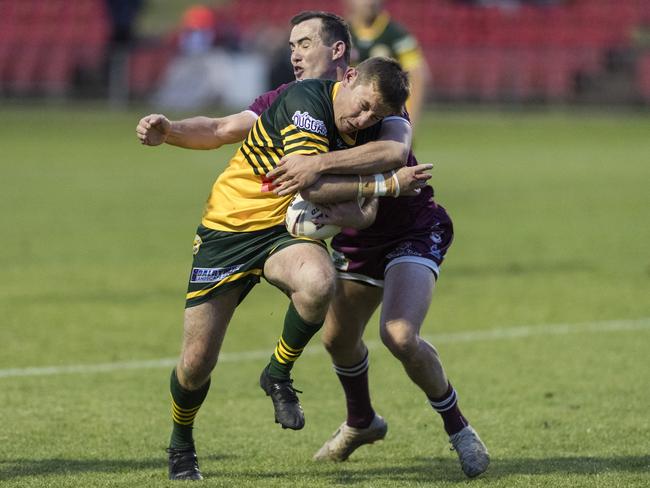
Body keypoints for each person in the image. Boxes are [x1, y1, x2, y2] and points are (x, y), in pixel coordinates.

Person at [136, 10, 488, 480]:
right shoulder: (288, 99)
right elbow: (223, 130)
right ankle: (359, 422)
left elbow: (393, 153)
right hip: (314, 231)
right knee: (331, 340)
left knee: (394, 332)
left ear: (339, 53)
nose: (294, 53)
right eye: (290, 46)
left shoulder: (378, 95)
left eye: (303, 43)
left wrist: (320, 167)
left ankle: (457, 429)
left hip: (403, 228)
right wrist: (172, 131)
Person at [344, 0, 429, 126]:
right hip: (350, 117)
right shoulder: (340, 33)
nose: (370, 3)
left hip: (386, 118)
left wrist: (409, 122)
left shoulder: (398, 35)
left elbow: (418, 76)